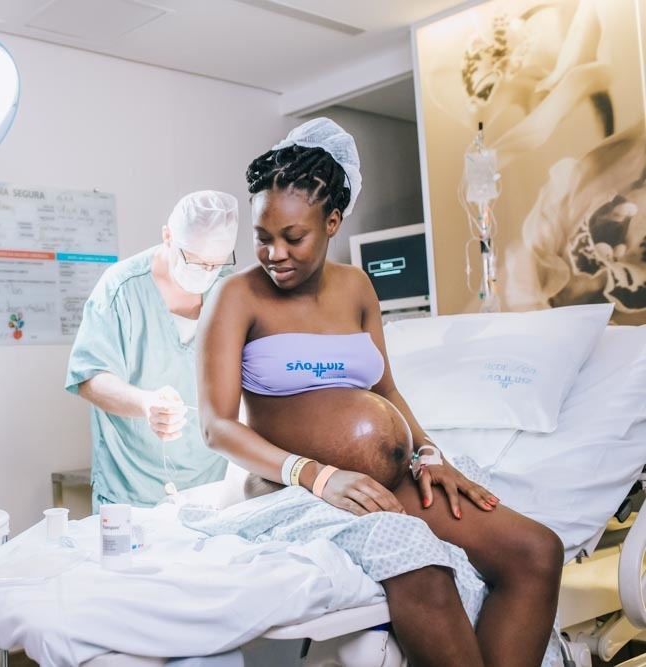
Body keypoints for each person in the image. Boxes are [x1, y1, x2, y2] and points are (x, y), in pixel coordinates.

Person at [197, 119, 564, 667]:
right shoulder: (236, 297)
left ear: (332, 222)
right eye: (262, 236)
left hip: (386, 480)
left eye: (293, 237)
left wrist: (428, 453)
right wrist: (319, 476)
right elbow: (217, 427)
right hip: (296, 488)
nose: (274, 253)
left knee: (536, 551)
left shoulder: (357, 287)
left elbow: (385, 387)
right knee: (422, 567)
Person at [66, 190, 238, 510]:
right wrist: (146, 403)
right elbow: (90, 377)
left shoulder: (228, 290)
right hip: (132, 488)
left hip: (212, 486)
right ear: (168, 236)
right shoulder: (122, 288)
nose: (206, 272)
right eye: (195, 261)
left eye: (216, 264)